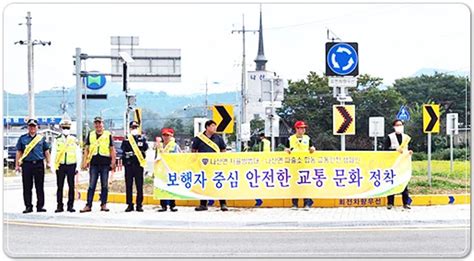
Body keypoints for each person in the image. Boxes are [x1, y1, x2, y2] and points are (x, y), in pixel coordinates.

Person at [80, 116, 116, 213]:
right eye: (96, 123)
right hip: (94, 163)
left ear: (102, 124)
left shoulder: (108, 135)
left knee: (104, 185)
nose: (98, 125)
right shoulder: (90, 134)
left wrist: (113, 162)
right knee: (91, 185)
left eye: (99, 123)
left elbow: (112, 149)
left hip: (105, 163)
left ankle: (103, 204)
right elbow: (86, 149)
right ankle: (88, 205)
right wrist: (84, 161)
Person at [15, 118, 51, 214]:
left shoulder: (41, 138)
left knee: (39, 186)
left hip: (38, 164)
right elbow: (19, 152)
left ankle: (40, 206)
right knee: (27, 186)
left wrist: (48, 162)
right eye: (30, 126)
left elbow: (46, 151)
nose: (32, 128)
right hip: (27, 164)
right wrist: (17, 165)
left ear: (37, 127)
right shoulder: (22, 138)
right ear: (28, 127)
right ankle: (28, 206)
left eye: (34, 126)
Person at [192, 120, 228, 211]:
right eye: (212, 126)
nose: (215, 128)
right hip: (202, 166)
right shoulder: (199, 138)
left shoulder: (218, 138)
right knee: (204, 185)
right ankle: (203, 204)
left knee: (219, 184)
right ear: (207, 127)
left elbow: (223, 150)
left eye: (215, 126)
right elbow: (194, 151)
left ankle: (223, 204)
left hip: (216, 166)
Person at [50, 118, 81, 213]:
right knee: (60, 187)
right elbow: (53, 153)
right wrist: (52, 166)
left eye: (67, 127)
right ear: (61, 128)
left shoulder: (74, 139)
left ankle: (70, 206)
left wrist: (78, 167)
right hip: (60, 165)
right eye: (64, 127)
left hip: (71, 165)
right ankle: (59, 206)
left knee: (71, 186)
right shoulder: (57, 140)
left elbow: (78, 153)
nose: (65, 129)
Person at [285, 120, 316, 211]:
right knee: (295, 185)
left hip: (305, 165)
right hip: (294, 165)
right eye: (301, 128)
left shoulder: (307, 138)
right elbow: (286, 149)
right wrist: (286, 151)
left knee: (305, 184)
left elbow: (312, 147)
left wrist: (313, 149)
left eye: (304, 128)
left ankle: (307, 204)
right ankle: (294, 204)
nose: (303, 130)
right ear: (296, 129)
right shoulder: (290, 139)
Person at [384, 119, 413, 210]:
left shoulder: (406, 137)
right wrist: (395, 150)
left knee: (404, 183)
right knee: (391, 183)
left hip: (403, 164)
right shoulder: (390, 137)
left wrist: (410, 152)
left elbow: (410, 148)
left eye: (401, 125)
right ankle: (390, 203)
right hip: (392, 164)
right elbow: (385, 150)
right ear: (394, 127)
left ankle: (405, 203)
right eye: (397, 125)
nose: (399, 127)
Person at [121, 121, 149, 212]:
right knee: (128, 185)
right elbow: (123, 149)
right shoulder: (126, 139)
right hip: (129, 164)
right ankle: (129, 204)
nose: (134, 129)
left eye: (136, 127)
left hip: (138, 164)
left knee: (139, 185)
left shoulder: (142, 138)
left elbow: (145, 148)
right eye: (132, 127)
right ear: (130, 128)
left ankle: (139, 205)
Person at [156, 127, 181, 212]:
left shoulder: (174, 146)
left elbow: (178, 157)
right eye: (164, 135)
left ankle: (172, 205)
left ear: (171, 136)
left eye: (167, 135)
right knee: (162, 187)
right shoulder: (159, 145)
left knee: (172, 187)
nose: (165, 137)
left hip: (171, 169)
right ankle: (163, 206)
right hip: (161, 170)